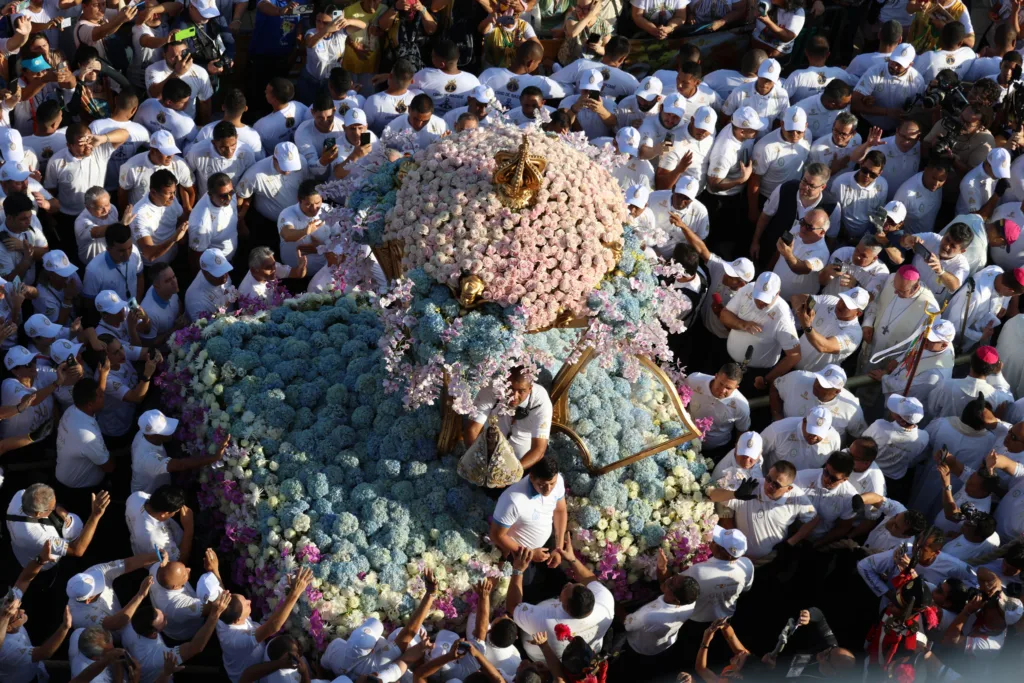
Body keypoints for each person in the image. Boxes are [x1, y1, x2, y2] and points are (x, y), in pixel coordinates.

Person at [507, 532, 614, 662]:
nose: (569, 583)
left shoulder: (547, 621)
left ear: (565, 608)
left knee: (524, 567)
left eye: (566, 588)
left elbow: (513, 607)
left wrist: (518, 570)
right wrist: (572, 559)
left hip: (533, 615)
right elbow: (589, 579)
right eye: (574, 584)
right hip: (552, 600)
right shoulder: (605, 603)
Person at [215, 566, 315, 682]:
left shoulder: (222, 615)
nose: (249, 601)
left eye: (245, 599)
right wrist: (295, 593)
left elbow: (225, 596)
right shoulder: (237, 639)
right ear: (237, 620)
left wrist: (215, 569)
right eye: (246, 604)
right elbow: (273, 627)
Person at [123, 591, 231, 682]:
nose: (166, 615)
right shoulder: (158, 655)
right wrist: (214, 615)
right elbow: (194, 648)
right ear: (153, 634)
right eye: (163, 619)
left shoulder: (130, 625)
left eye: (161, 613)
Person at [720, 271, 801, 387]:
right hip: (728, 361)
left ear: (777, 294)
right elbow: (724, 315)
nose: (760, 303)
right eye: (758, 297)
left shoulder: (783, 317)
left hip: (754, 374)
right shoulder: (748, 289)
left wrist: (766, 379)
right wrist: (742, 324)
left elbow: (795, 355)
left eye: (766, 300)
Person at [490, 457, 566, 576]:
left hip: (547, 547)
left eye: (552, 483)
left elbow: (560, 511)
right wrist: (530, 554)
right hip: (518, 558)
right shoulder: (512, 500)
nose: (549, 489)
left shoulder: (559, 480)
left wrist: (558, 548)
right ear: (531, 477)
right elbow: (496, 535)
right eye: (542, 485)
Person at [751, 163, 840, 265]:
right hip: (771, 248)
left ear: (823, 187)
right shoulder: (785, 188)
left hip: (801, 259)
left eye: (811, 186)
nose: (805, 187)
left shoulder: (832, 206)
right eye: (804, 181)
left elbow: (831, 238)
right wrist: (755, 242)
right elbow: (765, 216)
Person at [466, 366, 552, 467]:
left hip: (523, 465)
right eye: (510, 389)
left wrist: (511, 474)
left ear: (530, 388)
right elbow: (472, 430)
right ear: (503, 383)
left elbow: (539, 449)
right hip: (487, 459)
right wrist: (480, 462)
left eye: (521, 391)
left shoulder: (541, 401)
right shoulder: (490, 389)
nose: (514, 396)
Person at [859, 266, 939, 374]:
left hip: (892, 359)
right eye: (894, 287)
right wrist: (867, 323)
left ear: (915, 287)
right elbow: (875, 301)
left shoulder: (930, 309)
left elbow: (921, 343)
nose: (895, 292)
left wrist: (899, 360)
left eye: (901, 291)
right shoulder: (891, 279)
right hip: (871, 343)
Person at [622, 555, 700, 659]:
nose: (668, 579)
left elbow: (626, 622)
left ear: (675, 600)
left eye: (671, 583)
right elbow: (666, 582)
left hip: (639, 647)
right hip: (664, 641)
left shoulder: (650, 615)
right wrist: (662, 568)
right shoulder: (690, 601)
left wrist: (608, 598)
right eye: (674, 576)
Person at [133, 410, 227, 494]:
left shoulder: (143, 433)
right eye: (165, 432)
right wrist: (214, 457)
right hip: (150, 495)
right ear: (151, 436)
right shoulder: (148, 458)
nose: (171, 433)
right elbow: (180, 465)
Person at [748, 105, 811, 222]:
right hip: (767, 198)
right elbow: (754, 180)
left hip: (793, 196)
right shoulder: (765, 147)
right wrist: (753, 210)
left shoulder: (808, 136)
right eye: (790, 131)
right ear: (782, 124)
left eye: (799, 131)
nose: (795, 135)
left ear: (806, 126)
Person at [771, 365, 868, 440]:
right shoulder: (798, 378)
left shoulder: (851, 408)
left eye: (824, 385)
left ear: (837, 391)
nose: (817, 385)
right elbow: (775, 385)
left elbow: (858, 435)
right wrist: (777, 414)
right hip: (786, 440)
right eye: (818, 379)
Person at [873, 317, 957, 404]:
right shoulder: (934, 343)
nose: (925, 340)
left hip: (903, 404)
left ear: (944, 345)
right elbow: (914, 347)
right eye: (927, 335)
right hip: (897, 376)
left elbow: (904, 388)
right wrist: (899, 360)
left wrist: (884, 378)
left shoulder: (934, 374)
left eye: (931, 339)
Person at [67, 553, 158, 631]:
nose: (100, 581)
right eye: (97, 589)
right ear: (88, 600)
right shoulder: (79, 617)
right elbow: (116, 623)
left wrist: (156, 556)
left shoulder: (94, 573)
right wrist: (140, 594)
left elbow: (128, 563)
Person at [55, 377, 112, 494]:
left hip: (65, 476)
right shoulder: (88, 436)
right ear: (90, 405)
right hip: (80, 490)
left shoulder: (71, 410)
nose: (103, 397)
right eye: (100, 396)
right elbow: (108, 467)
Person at [851, 44, 925, 133]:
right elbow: (855, 103)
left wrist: (907, 114)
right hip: (867, 126)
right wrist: (887, 112)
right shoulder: (875, 71)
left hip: (895, 132)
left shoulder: (917, 80)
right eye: (893, 61)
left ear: (910, 64)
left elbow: (919, 110)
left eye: (899, 64)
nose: (894, 66)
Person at [927, 346, 1013, 420]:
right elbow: (1009, 398)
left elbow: (931, 408)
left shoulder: (946, 385)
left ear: (971, 362)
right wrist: (997, 375)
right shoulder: (999, 398)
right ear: (993, 369)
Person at [682, 364, 751, 454]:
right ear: (716, 376)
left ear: (736, 388)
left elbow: (742, 432)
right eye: (721, 383)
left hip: (715, 449)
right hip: (683, 433)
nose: (722, 390)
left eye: (728, 388)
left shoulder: (742, 406)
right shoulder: (694, 380)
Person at [130, 168, 189, 267]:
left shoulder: (171, 199)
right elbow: (149, 254)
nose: (173, 197)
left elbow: (181, 217)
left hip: (174, 259)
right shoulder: (139, 215)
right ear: (153, 192)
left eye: (174, 192)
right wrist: (174, 239)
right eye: (169, 193)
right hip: (153, 268)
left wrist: (182, 239)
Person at [184, 121, 256, 198]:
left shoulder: (247, 153)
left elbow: (251, 180)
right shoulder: (197, 152)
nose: (229, 151)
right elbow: (185, 175)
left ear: (237, 138)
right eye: (223, 147)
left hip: (233, 203)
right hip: (205, 202)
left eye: (233, 145)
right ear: (214, 143)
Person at [722, 59, 789, 140]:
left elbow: (782, 121)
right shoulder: (739, 91)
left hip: (764, 139)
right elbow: (725, 115)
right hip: (740, 140)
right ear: (757, 73)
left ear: (777, 79)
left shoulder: (782, 96)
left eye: (769, 80)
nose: (764, 84)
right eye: (762, 78)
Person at [902, 223, 972, 302]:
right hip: (904, 289)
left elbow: (954, 286)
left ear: (962, 251)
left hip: (925, 304)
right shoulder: (931, 238)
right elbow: (902, 241)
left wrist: (940, 271)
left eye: (953, 246)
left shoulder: (962, 266)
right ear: (944, 234)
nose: (947, 246)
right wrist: (908, 239)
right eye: (947, 239)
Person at [773, 207, 830, 300]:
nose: (803, 228)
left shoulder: (822, 253)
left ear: (822, 232)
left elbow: (801, 269)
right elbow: (780, 250)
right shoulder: (797, 229)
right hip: (773, 289)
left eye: (809, 227)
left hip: (792, 302)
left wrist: (788, 254)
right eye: (803, 222)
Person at [760, 406, 842, 471]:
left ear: (828, 429)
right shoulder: (779, 430)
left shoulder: (834, 439)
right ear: (804, 421)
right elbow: (756, 453)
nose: (814, 437)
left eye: (818, 433)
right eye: (811, 431)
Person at [412, 39, 480, 115]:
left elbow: (408, 93)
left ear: (442, 64)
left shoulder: (424, 75)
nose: (431, 58)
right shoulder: (473, 81)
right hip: (460, 123)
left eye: (433, 56)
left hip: (427, 123)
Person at [81, 223, 145, 304]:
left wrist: (137, 304)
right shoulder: (93, 270)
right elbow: (89, 303)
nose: (127, 254)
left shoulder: (135, 251)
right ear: (108, 249)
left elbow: (140, 277)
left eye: (130, 248)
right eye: (121, 251)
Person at [783, 36, 854, 103]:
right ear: (828, 54)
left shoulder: (797, 76)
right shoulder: (840, 73)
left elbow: (780, 99)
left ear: (806, 52)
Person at [894, 158, 950, 236]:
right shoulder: (906, 194)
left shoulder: (937, 187)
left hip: (928, 240)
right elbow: (893, 226)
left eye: (941, 180)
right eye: (933, 178)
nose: (936, 184)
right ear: (926, 170)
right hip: (910, 244)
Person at [252, 77, 310, 150]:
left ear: (274, 100)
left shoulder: (260, 126)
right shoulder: (299, 106)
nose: (265, 92)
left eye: (267, 92)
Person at [185, 247, 237, 321]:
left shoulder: (223, 277)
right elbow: (205, 328)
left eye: (224, 269)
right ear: (204, 272)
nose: (225, 276)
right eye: (218, 273)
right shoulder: (196, 300)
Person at [237, 245, 306, 301]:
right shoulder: (246, 293)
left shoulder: (273, 266)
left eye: (274, 264)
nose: (274, 269)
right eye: (268, 268)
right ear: (254, 270)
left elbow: (298, 274)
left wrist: (302, 267)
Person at [74, 188, 121, 267]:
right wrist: (122, 224)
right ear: (88, 208)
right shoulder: (81, 221)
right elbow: (97, 232)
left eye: (107, 204)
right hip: (91, 265)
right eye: (100, 208)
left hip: (111, 260)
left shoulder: (112, 208)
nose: (106, 210)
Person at [383, 93, 448, 150]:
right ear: (409, 110)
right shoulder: (392, 127)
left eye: (425, 121)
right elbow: (384, 151)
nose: (419, 124)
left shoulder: (441, 126)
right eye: (416, 119)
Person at [139, 264, 182, 345]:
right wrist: (175, 329)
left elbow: (178, 302)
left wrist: (180, 317)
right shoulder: (150, 313)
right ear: (156, 286)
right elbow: (149, 344)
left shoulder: (171, 290)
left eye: (174, 276)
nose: (174, 282)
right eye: (168, 280)